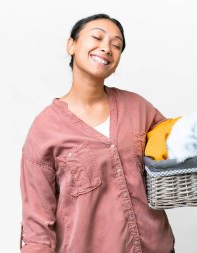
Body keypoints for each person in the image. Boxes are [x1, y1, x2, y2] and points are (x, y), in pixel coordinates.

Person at [19, 13, 175, 253]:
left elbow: (179, 148)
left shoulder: (137, 107)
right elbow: (37, 221)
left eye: (116, 45)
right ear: (71, 45)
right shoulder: (45, 129)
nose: (107, 48)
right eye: (97, 38)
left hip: (156, 247)